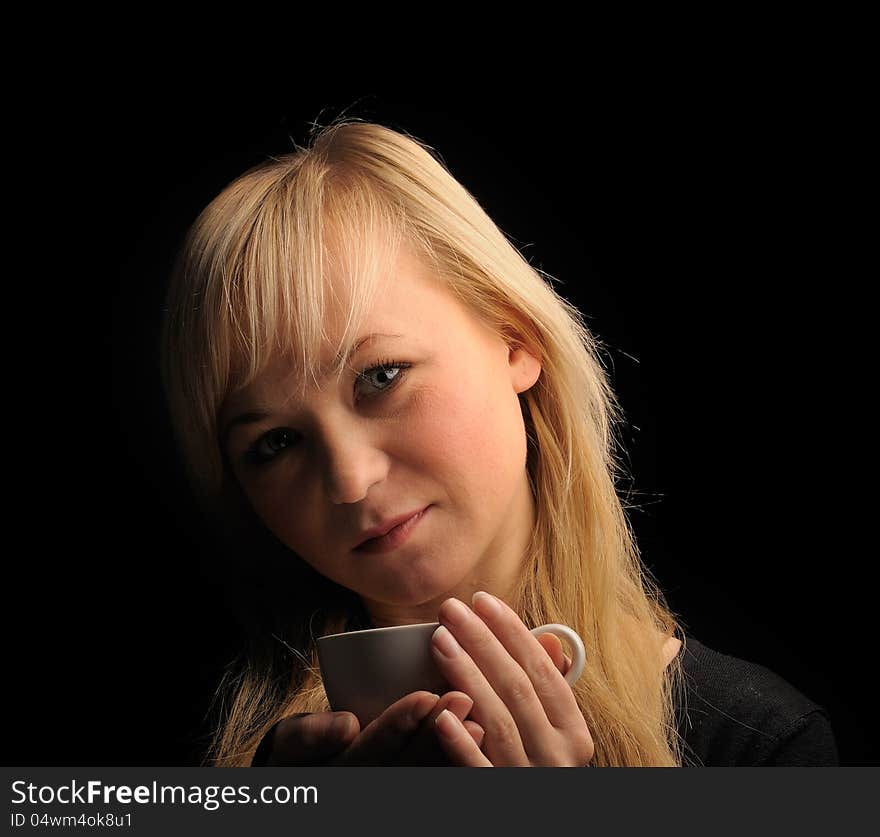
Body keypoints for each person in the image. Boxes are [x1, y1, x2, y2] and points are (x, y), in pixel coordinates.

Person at [159, 118, 839, 767]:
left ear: (516, 337)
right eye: (276, 442)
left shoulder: (762, 745)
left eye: (381, 376)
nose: (349, 480)